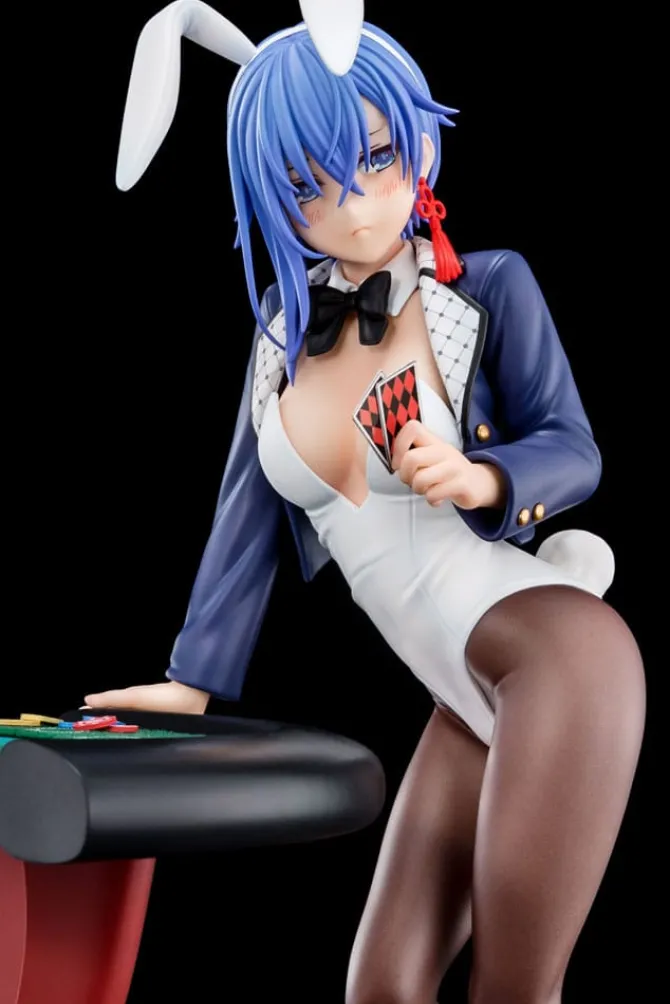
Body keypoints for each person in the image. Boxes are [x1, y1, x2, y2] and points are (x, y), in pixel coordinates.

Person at [88, 3, 646, 1000]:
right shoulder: (279, 337)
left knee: (515, 986)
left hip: (558, 658)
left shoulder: (485, 288)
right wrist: (190, 682)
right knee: (379, 987)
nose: (351, 204)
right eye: (307, 184)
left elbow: (573, 448)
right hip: (461, 692)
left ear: (419, 144)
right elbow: (244, 524)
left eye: (377, 157)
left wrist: (481, 477)